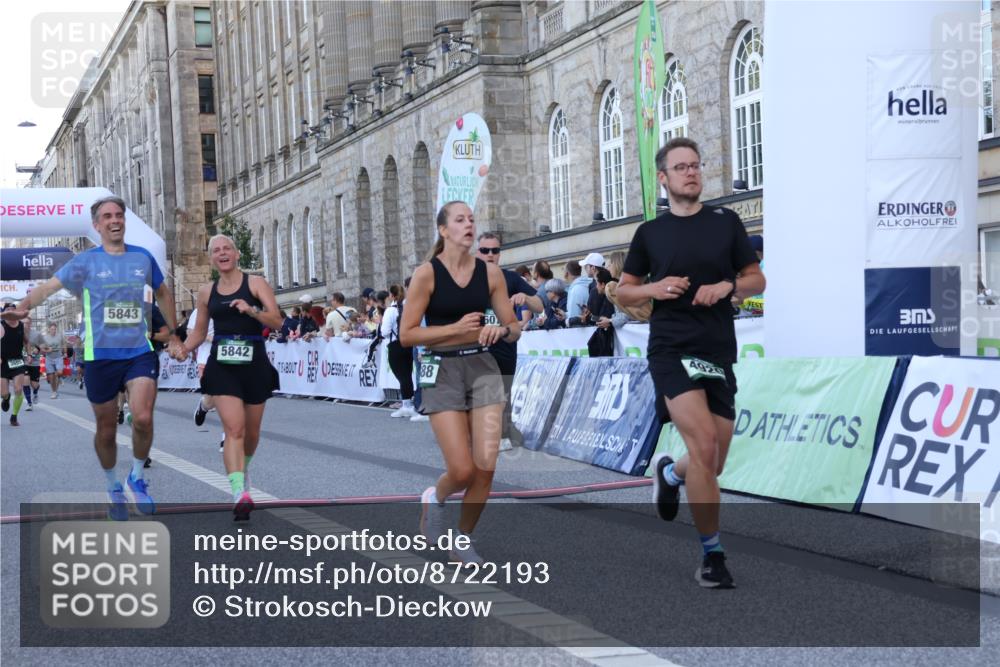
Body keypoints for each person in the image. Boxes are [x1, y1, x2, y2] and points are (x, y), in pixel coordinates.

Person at [616, 137, 764, 589]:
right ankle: (712, 555)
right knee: (703, 444)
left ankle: (668, 473)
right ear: (663, 178)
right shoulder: (650, 233)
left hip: (716, 349)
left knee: (712, 461)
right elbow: (623, 290)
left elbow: (756, 278)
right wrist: (654, 289)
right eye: (681, 167)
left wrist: (728, 287)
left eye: (696, 165)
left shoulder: (725, 222)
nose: (692, 172)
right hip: (671, 349)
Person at [2, 195, 182, 520]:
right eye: (107, 216)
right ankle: (113, 486)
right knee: (106, 430)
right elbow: (48, 288)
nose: (115, 220)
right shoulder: (85, 261)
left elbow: (163, 292)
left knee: (143, 418)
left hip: (138, 352)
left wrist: (174, 334)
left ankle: (136, 477)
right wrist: (24, 306)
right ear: (97, 225)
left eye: (119, 215)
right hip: (99, 356)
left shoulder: (142, 257)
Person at [400, 201, 521, 565]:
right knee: (462, 470)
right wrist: (454, 329)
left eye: (471, 219)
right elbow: (407, 335)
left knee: (485, 468)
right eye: (460, 220)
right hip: (442, 369)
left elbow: (514, 327)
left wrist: (501, 330)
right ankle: (434, 498)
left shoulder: (491, 274)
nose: (469, 224)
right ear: (443, 230)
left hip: (483, 366)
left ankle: (462, 539)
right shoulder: (427, 274)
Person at [176, 234, 282, 521]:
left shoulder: (255, 283)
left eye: (226, 249)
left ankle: (242, 473)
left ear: (236, 254)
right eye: (216, 250)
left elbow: (277, 321)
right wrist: (184, 349)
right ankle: (238, 493)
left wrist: (253, 311)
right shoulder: (206, 292)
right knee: (234, 429)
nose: (222, 253)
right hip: (222, 365)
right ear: (211, 258)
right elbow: (199, 332)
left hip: (254, 362)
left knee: (251, 433)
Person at [476, 232, 543, 450]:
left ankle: (503, 432)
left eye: (495, 250)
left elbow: (539, 305)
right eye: (485, 250)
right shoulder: (467, 280)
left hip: (505, 343)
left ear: (499, 254)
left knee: (504, 390)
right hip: (476, 345)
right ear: (477, 253)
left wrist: (526, 298)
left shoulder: (511, 278)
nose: (490, 254)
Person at [381, 284, 417, 418]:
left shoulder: (390, 311)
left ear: (391, 295)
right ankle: (408, 403)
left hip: (395, 345)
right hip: (409, 343)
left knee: (402, 376)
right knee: (407, 374)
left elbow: (385, 331)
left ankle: (407, 405)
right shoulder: (409, 307)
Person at [1, 303, 31, 426]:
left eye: (13, 309)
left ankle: (14, 416)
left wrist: (29, 354)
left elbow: (27, 342)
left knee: (18, 389)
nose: (11, 312)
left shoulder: (22, 326)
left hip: (17, 361)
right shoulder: (1, 325)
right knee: (3, 393)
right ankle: (6, 398)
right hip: (3, 362)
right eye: (8, 310)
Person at [38, 322, 65, 398]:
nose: (53, 331)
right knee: (51, 377)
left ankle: (58, 378)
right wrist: (47, 350)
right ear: (49, 329)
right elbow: (41, 349)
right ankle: (54, 392)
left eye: (55, 329)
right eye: (52, 329)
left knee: (59, 372)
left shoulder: (60, 336)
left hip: (58, 357)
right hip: (49, 358)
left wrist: (65, 352)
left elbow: (64, 344)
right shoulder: (45, 338)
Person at [564, 260, 592, 324]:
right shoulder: (586, 284)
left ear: (567, 273)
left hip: (580, 327)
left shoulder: (576, 289)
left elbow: (574, 315)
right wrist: (565, 315)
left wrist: (567, 322)